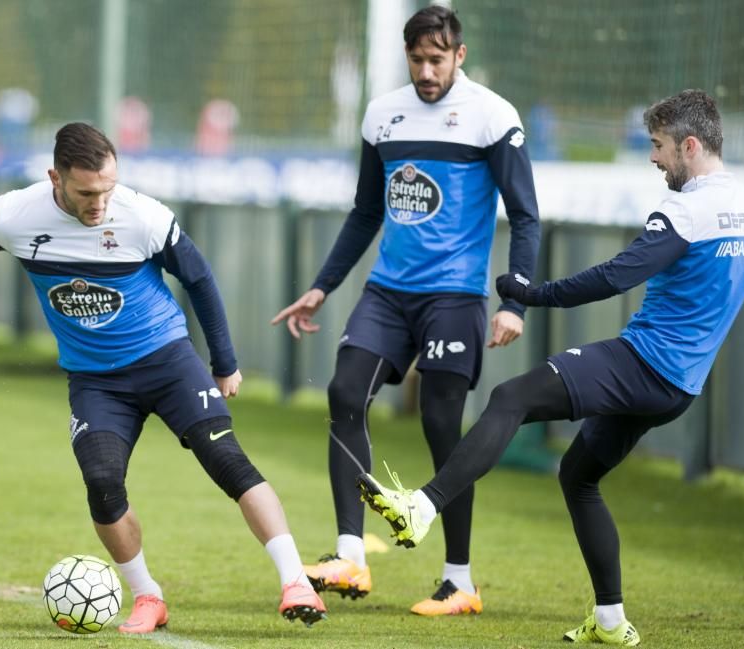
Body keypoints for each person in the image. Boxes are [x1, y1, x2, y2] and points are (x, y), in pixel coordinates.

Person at [358, 89, 744, 645]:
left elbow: (616, 276)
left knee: (510, 398)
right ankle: (610, 620)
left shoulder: (687, 211)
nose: (654, 159)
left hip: (642, 363)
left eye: (659, 147)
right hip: (679, 388)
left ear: (690, 144)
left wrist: (530, 294)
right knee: (578, 477)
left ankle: (422, 506)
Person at [0, 122, 327, 632]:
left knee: (225, 459)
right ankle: (147, 597)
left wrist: (224, 362)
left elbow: (200, 277)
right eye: (86, 192)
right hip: (96, 381)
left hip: (168, 363)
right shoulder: (16, 215)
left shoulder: (142, 217)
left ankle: (295, 580)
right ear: (56, 178)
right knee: (101, 481)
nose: (100, 203)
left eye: (108, 188)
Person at [271, 5, 540, 616]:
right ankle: (349, 556)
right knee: (344, 392)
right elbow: (366, 211)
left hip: (455, 297)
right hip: (387, 293)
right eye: (416, 59)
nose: (425, 71)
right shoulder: (381, 115)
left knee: (442, 427)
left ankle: (460, 580)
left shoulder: (493, 117)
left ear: (459, 55)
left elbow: (524, 215)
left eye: (436, 59)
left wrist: (514, 300)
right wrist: (322, 285)